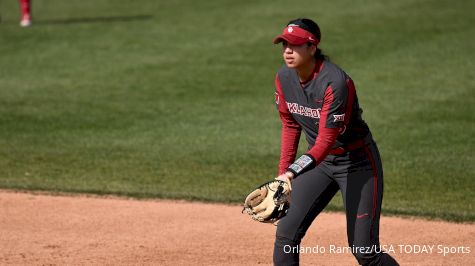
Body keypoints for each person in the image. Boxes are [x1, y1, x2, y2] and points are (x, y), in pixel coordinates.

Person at [271, 18, 399, 266]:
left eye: (295, 45)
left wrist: (291, 172)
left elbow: (325, 142)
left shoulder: (335, 82)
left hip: (358, 163)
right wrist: (282, 176)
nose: (287, 50)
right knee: (286, 234)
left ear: (312, 47)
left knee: (365, 251)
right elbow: (290, 125)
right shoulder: (283, 78)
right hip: (321, 164)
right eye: (284, 44)